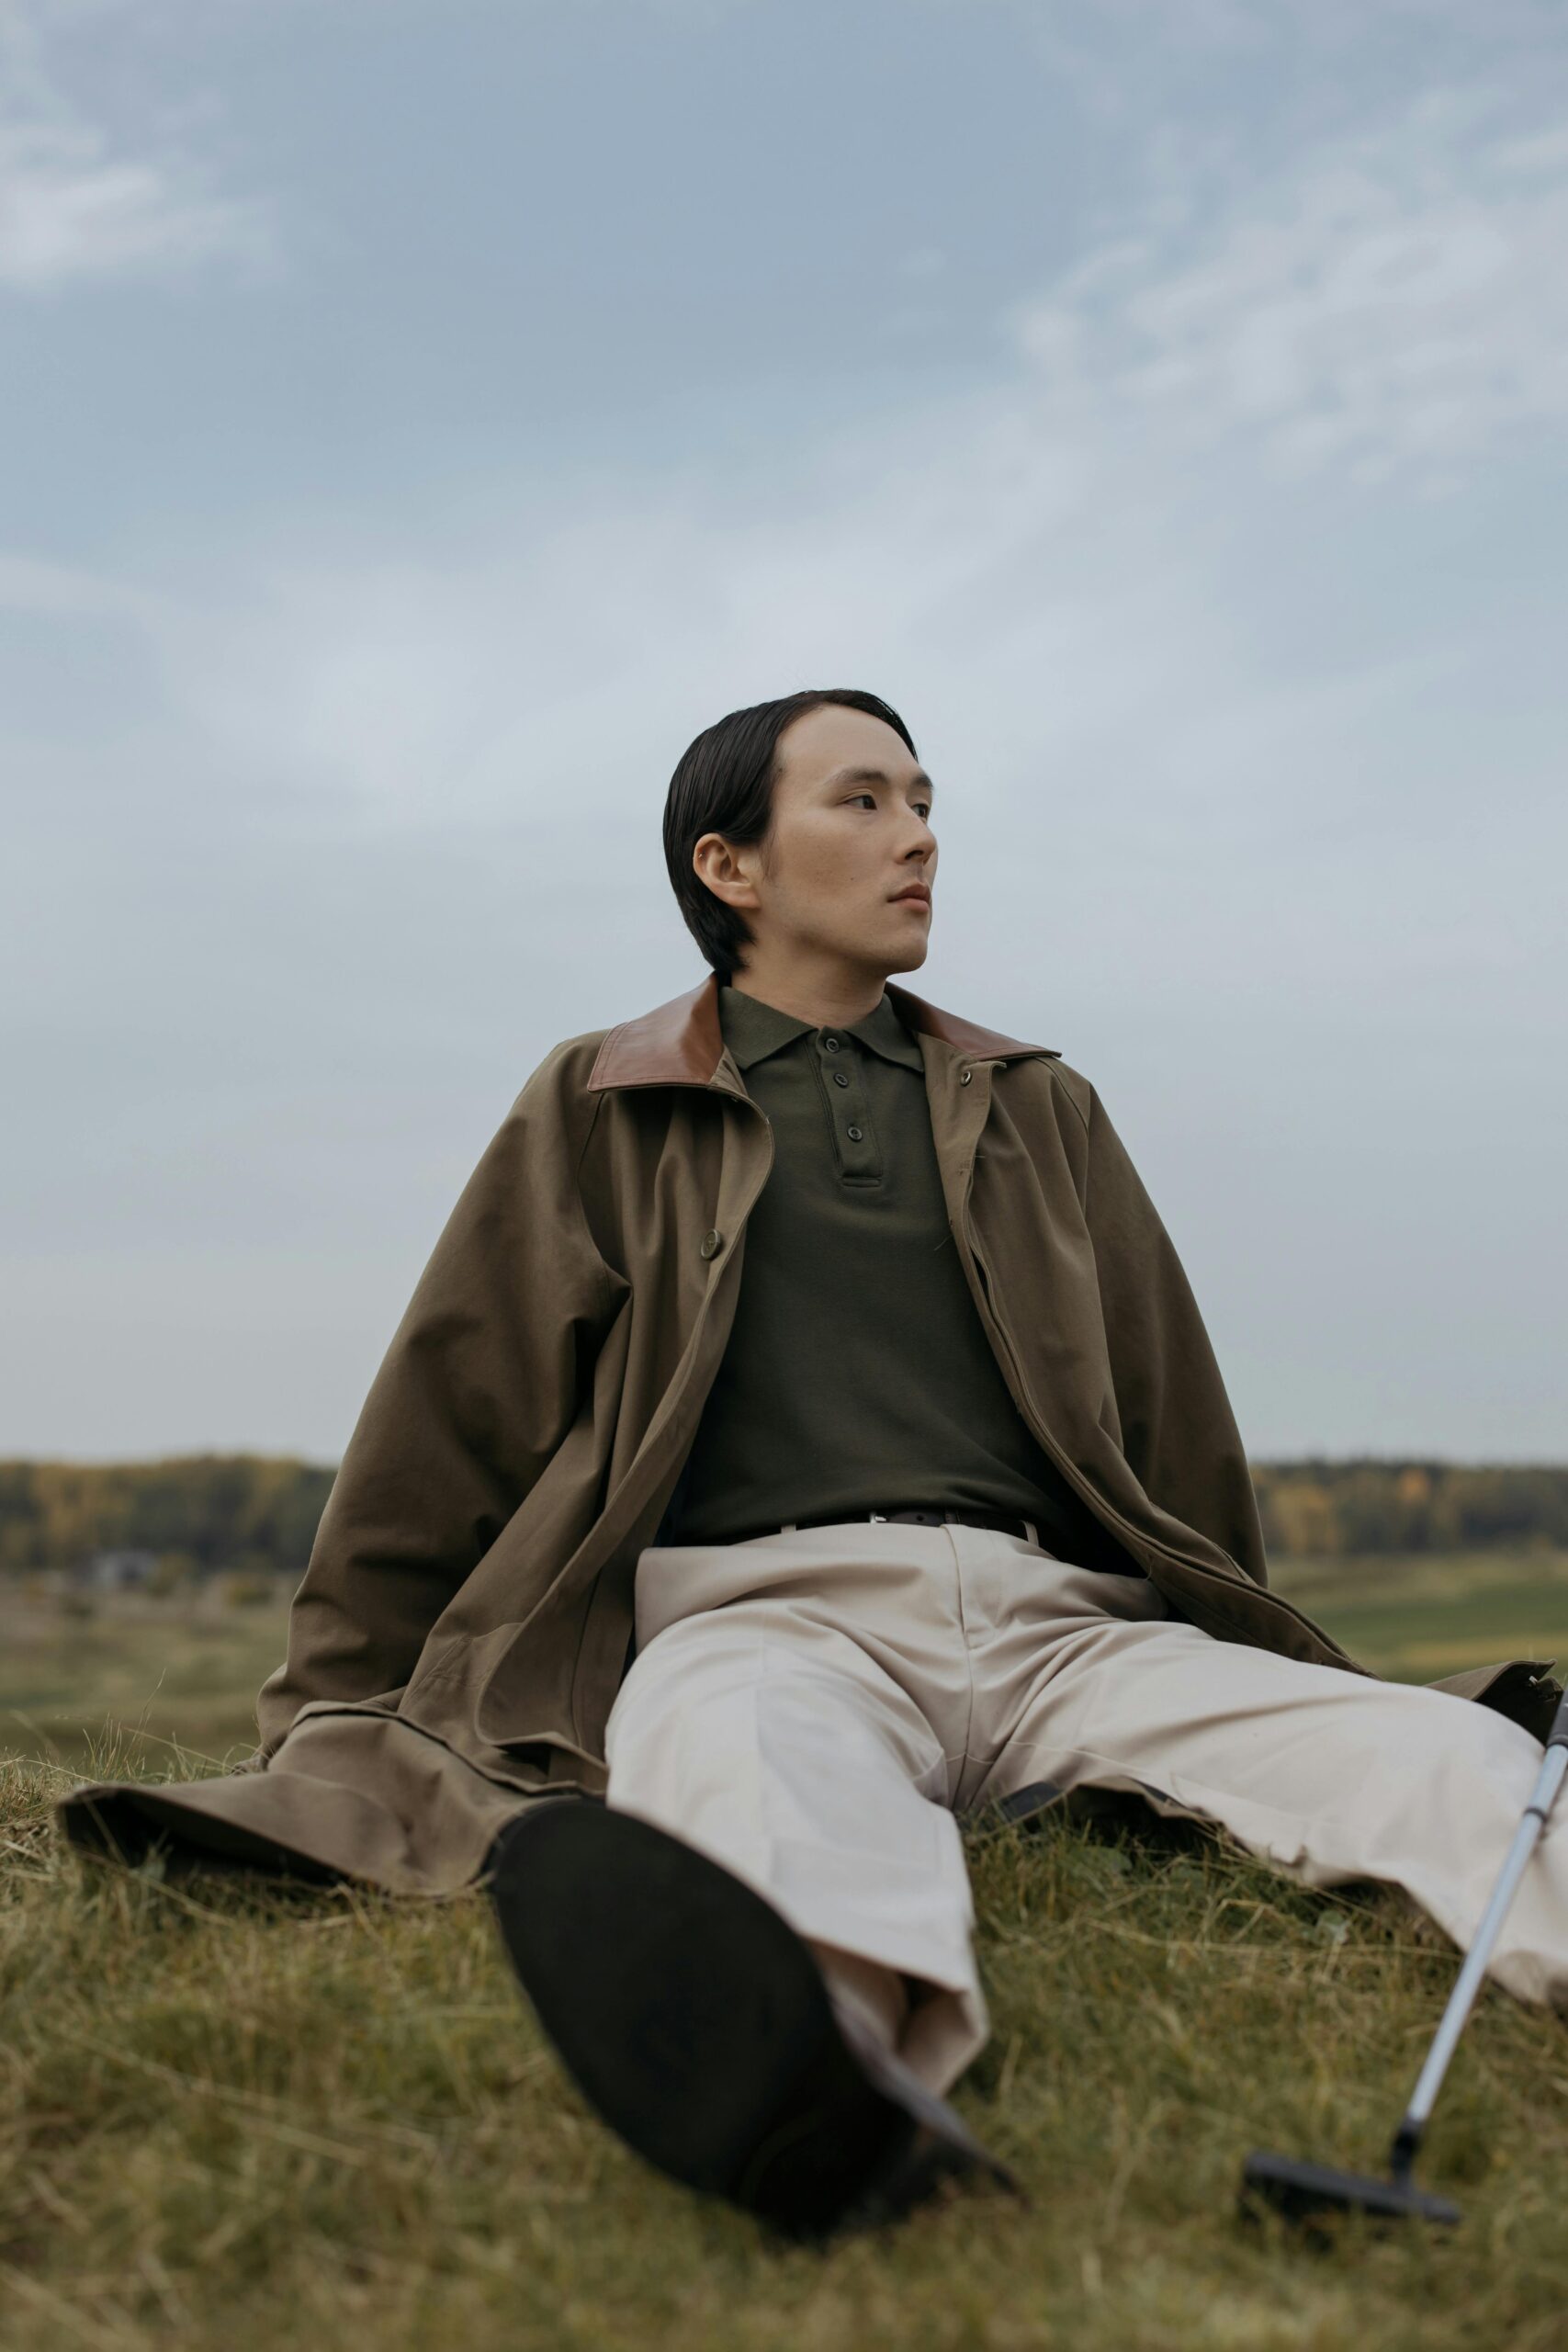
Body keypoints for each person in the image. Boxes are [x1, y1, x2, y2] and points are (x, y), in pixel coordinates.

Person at [61, 687, 1565, 2241]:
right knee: (750, 1779)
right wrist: (335, 1712)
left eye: (924, 803)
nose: (917, 836)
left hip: (1068, 1633)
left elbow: (1170, 1418)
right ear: (732, 867)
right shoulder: (602, 1098)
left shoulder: (1043, 1105)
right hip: (764, 1620)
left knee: (1451, 1764)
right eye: (862, 802)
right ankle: (833, 2101)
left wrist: (1250, 1642)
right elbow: (449, 1422)